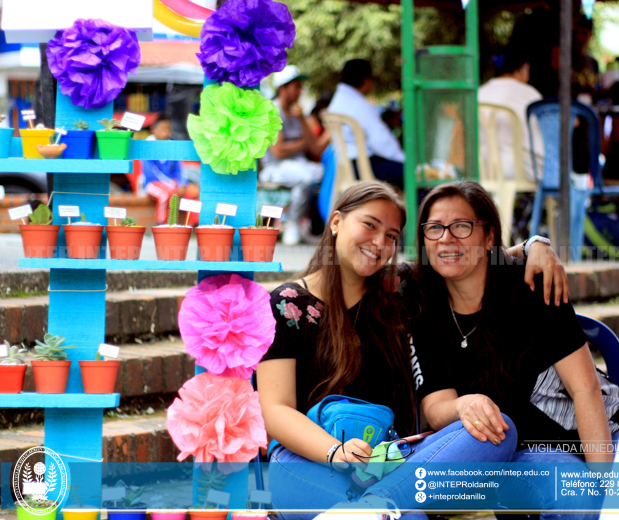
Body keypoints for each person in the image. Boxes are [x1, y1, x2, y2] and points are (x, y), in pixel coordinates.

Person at [257, 180, 568, 518]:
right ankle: (384, 505)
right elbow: (275, 411)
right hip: (306, 459)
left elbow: (467, 258)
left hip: (390, 459)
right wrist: (335, 451)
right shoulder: (287, 306)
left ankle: (379, 504)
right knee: (409, 514)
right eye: (370, 225)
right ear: (335, 222)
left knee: (495, 431)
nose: (380, 243)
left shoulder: (397, 290)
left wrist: (533, 245)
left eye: (391, 236)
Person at [413, 181, 619, 519]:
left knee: (580, 497)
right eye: (434, 228)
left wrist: (603, 488)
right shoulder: (424, 310)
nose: (446, 238)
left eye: (461, 227)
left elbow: (585, 389)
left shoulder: (533, 286)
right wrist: (464, 404)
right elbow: (436, 407)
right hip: (508, 454)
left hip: (585, 439)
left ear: (489, 237)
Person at [260, 65, 327, 246]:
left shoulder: (298, 112)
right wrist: (302, 143)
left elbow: (315, 149)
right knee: (305, 178)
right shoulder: (272, 111)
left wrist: (302, 120)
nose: (300, 91)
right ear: (283, 88)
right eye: (296, 86)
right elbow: (278, 151)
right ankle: (292, 222)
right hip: (274, 167)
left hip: (297, 164)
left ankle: (309, 224)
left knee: (325, 173)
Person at [328, 59, 405, 190]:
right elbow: (381, 142)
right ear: (366, 80)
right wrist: (404, 159)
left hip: (347, 166)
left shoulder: (337, 101)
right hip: (365, 166)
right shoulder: (359, 105)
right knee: (413, 176)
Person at [478, 45, 544, 181]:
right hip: (525, 169)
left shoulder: (480, 93)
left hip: (485, 168)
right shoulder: (530, 94)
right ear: (522, 67)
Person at [143, 116, 200, 226]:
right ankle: (162, 224)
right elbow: (151, 172)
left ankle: (192, 224)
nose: (165, 132)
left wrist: (182, 184)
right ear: (153, 129)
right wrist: (172, 184)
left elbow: (180, 169)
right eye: (162, 129)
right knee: (166, 195)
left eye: (168, 129)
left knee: (194, 191)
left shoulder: (172, 146)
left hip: (174, 184)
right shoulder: (147, 146)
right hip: (153, 183)